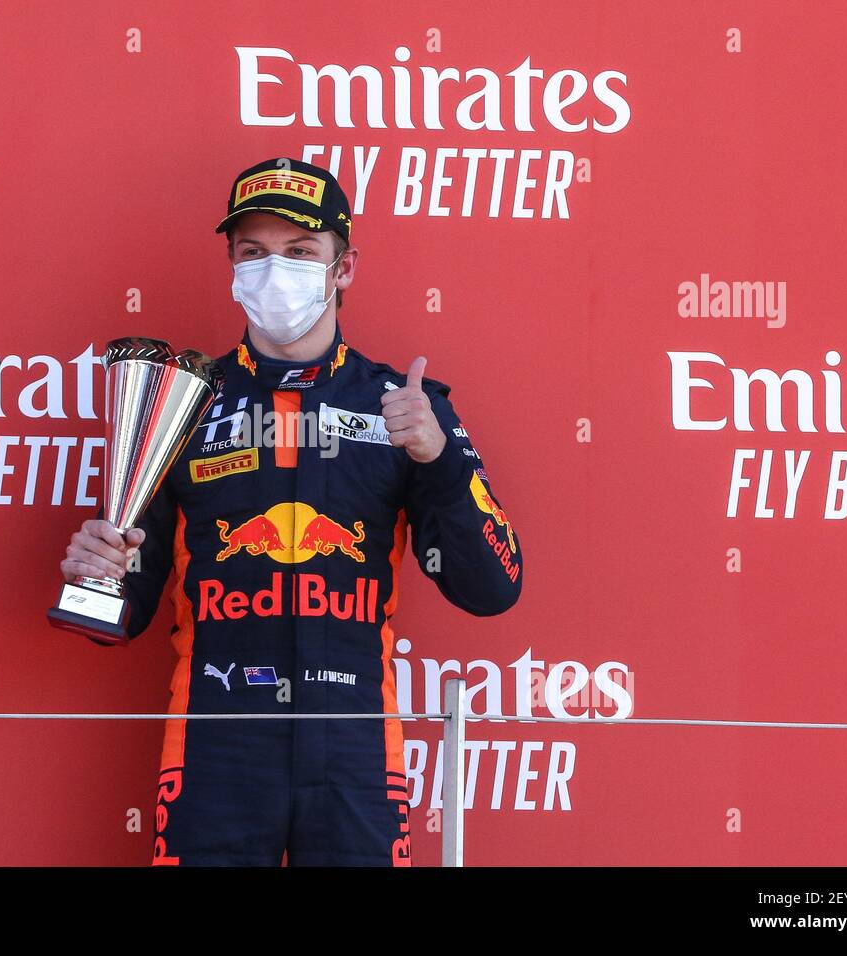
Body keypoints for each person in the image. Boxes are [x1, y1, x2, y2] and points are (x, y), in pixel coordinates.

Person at [60, 157, 523, 866]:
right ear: (232, 265)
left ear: (344, 268)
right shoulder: (183, 404)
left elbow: (492, 588)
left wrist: (440, 460)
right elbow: (119, 616)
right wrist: (102, 572)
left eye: (300, 251)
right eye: (254, 252)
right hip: (216, 742)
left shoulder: (404, 407)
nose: (274, 270)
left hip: (356, 744)